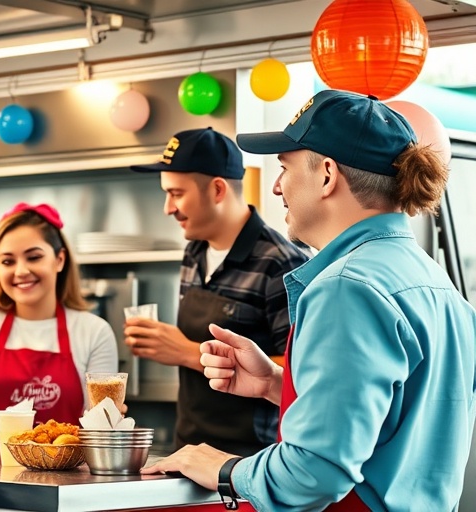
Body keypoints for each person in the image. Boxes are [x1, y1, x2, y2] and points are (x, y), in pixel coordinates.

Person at [144, 90, 476, 511]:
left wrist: (223, 468)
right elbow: (398, 422)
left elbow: (312, 476)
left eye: (284, 168)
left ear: (327, 175)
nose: (278, 187)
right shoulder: (437, 284)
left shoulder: (346, 287)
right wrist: (275, 384)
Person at [128, 127, 309, 456]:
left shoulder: (281, 263)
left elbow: (297, 374)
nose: (168, 207)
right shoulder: (194, 252)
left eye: (177, 193)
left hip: (251, 462)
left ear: (217, 189)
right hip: (188, 450)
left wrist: (186, 351)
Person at [0, 203, 119, 446]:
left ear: (60, 259)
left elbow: (101, 431)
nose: (21, 271)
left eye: (34, 257)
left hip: (65, 480)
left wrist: (110, 417)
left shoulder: (94, 331)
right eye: (8, 262)